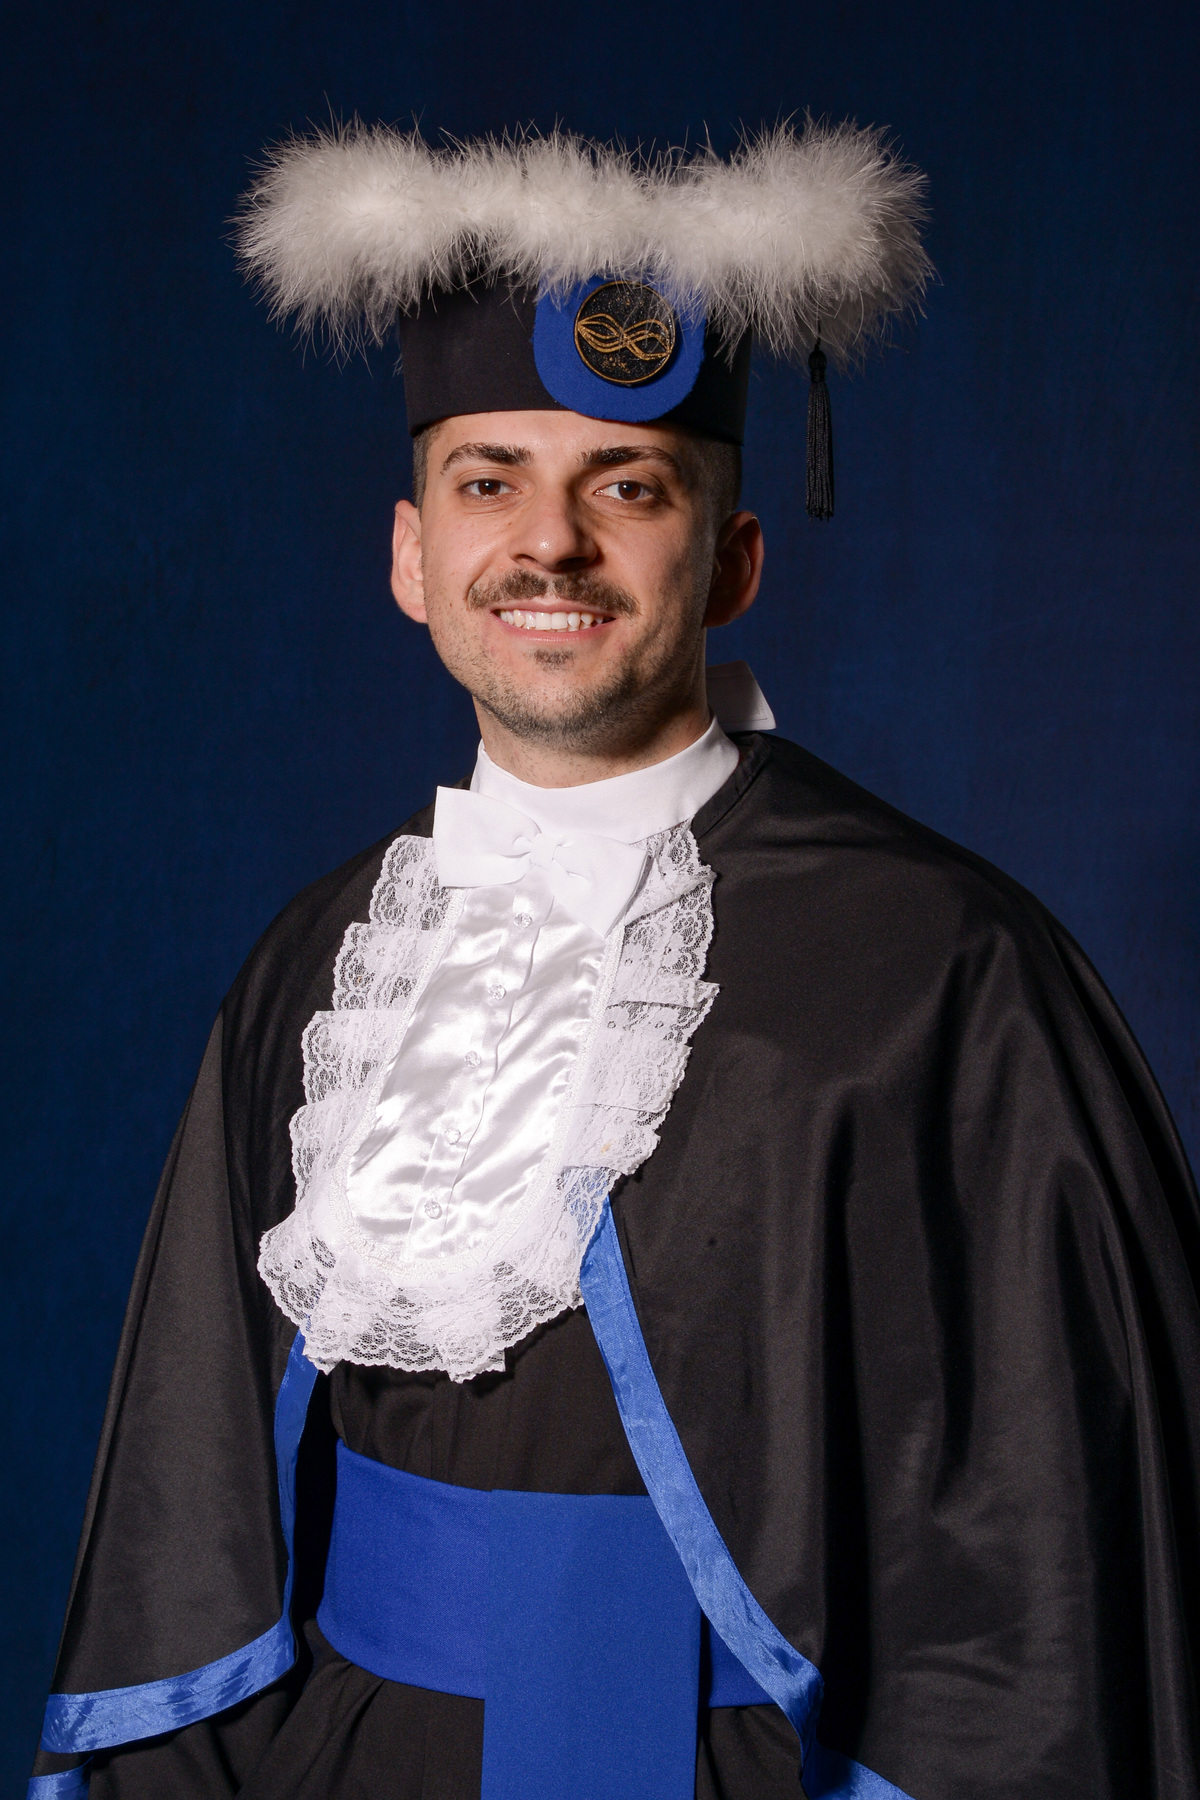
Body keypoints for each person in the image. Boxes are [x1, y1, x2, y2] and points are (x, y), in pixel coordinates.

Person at [29, 122, 1200, 1800]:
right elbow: (190, 1497)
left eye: (628, 486)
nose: (551, 545)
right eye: (488, 481)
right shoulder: (319, 964)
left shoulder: (949, 968)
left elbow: (1050, 1558)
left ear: (731, 561)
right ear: (412, 556)